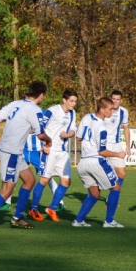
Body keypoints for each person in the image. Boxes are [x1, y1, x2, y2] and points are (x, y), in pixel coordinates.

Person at [0, 81, 51, 230]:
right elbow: (41, 135)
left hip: (15, 151)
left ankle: (17, 217)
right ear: (41, 95)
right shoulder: (34, 109)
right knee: (7, 188)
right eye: (43, 96)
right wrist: (49, 141)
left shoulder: (15, 104)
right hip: (11, 152)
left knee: (29, 180)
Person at [71, 97, 125, 228]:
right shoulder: (102, 128)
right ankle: (109, 221)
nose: (112, 112)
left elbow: (78, 137)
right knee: (116, 187)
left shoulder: (86, 117)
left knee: (94, 194)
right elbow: (102, 152)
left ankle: (78, 221)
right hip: (96, 161)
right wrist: (118, 154)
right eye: (110, 109)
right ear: (101, 110)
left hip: (82, 163)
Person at [29, 89, 78, 222]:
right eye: (71, 101)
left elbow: (74, 129)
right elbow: (40, 127)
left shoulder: (73, 113)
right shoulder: (53, 110)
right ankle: (33, 209)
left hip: (62, 153)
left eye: (75, 101)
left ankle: (52, 208)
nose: (73, 104)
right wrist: (45, 144)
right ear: (64, 100)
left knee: (66, 181)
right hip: (50, 150)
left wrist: (68, 135)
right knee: (44, 180)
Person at [0, 119, 65, 212]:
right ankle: (7, 201)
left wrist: (47, 145)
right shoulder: (22, 114)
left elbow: (49, 130)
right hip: (23, 151)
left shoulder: (41, 115)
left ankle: (59, 202)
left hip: (38, 152)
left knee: (47, 177)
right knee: (13, 174)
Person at [103, 90, 131, 206]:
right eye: (113, 99)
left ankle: (111, 198)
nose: (115, 101)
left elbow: (126, 128)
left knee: (122, 174)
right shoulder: (103, 110)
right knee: (104, 174)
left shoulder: (123, 112)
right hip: (103, 146)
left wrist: (128, 146)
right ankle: (109, 198)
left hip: (116, 145)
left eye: (117, 99)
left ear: (121, 100)